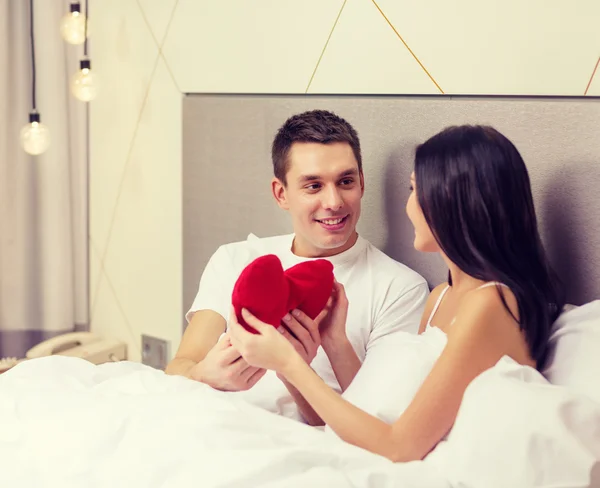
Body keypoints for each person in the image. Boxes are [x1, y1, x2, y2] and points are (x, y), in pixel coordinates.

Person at [227, 124, 565, 461]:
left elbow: (400, 446)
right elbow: (385, 408)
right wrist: (335, 342)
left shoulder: (490, 304)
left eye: (415, 190)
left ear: (451, 202)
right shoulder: (441, 298)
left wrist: (289, 363)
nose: (408, 206)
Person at [165, 109, 429, 425]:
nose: (334, 201)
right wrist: (202, 375)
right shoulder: (237, 260)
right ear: (281, 193)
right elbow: (179, 366)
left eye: (345, 181)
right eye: (313, 186)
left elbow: (375, 422)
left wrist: (311, 357)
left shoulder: (399, 288)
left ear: (361, 183)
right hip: (213, 428)